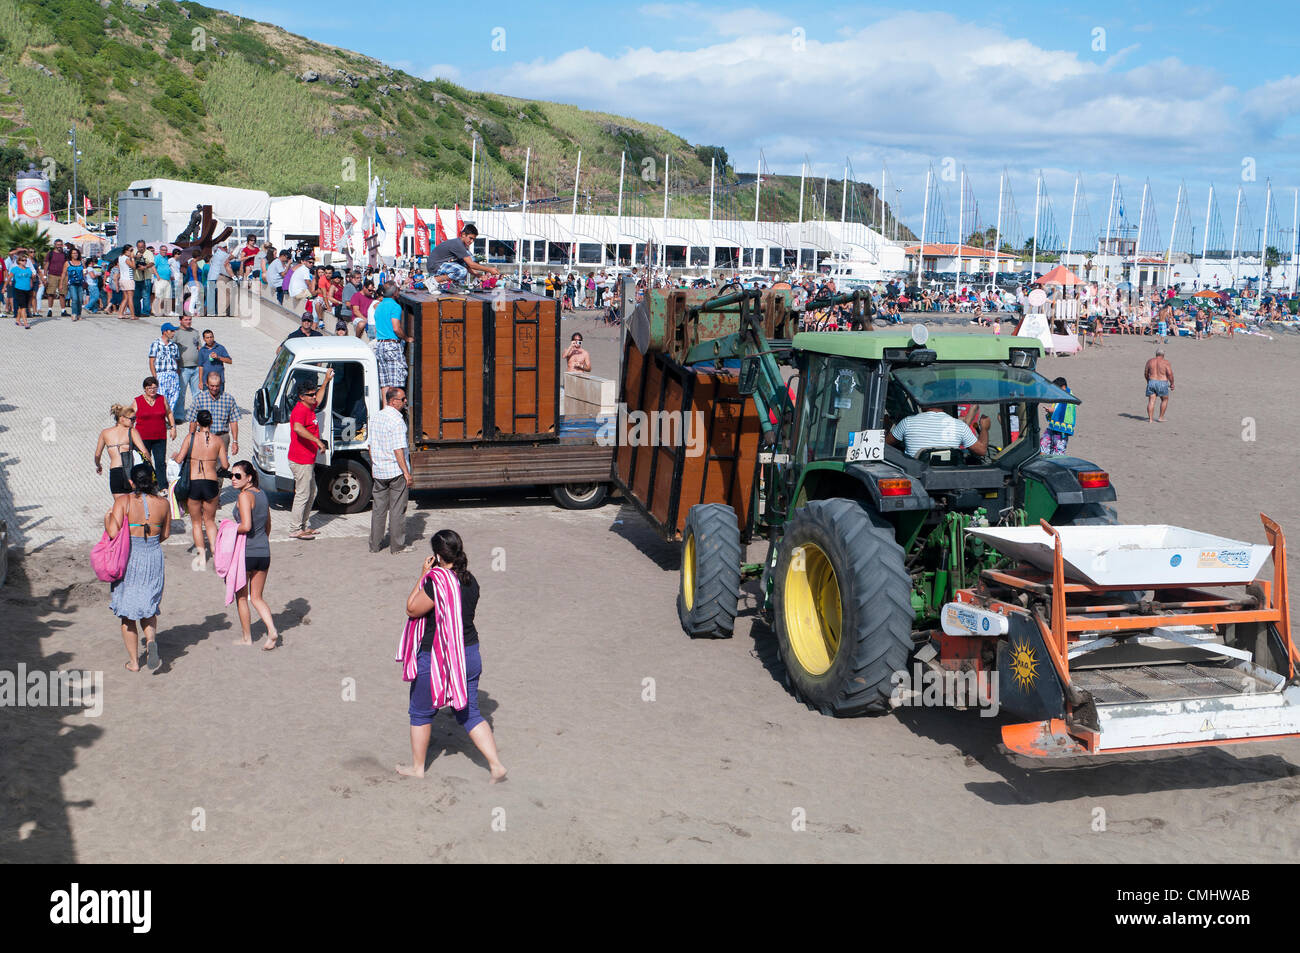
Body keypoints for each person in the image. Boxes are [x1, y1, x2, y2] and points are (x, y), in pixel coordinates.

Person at [397, 529, 506, 783]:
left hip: (438, 656)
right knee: (471, 713)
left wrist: (422, 576)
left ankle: (417, 768)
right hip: (469, 653)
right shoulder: (471, 580)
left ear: (437, 556)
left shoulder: (436, 582)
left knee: (421, 712)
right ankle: (496, 765)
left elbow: (411, 609)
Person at [106, 462, 171, 672]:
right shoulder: (163, 503)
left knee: (127, 613)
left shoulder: (123, 501)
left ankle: (134, 662)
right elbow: (166, 534)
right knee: (148, 606)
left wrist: (107, 518)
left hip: (129, 557)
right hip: (153, 555)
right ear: (152, 480)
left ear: (132, 482)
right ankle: (151, 640)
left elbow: (114, 533)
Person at [225, 461, 280, 650]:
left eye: (237, 476)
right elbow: (268, 526)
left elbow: (246, 526)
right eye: (231, 475)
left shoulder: (244, 496)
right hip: (263, 551)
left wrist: (229, 529)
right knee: (257, 597)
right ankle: (272, 630)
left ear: (248, 478)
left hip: (246, 553)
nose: (233, 479)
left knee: (242, 597)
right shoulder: (262, 494)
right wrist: (261, 542)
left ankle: (247, 637)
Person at [174, 408, 228, 559]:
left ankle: (202, 554)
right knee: (210, 521)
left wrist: (175, 457)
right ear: (211, 422)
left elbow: (179, 459)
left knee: (196, 523)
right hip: (211, 482)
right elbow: (225, 465)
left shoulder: (190, 437)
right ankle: (216, 552)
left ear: (197, 422)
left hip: (194, 482)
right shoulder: (218, 440)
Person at [287, 372, 333, 539]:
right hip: (300, 460)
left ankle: (303, 526)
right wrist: (318, 441)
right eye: (311, 394)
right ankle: (294, 529)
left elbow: (319, 398)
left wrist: (326, 381)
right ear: (301, 397)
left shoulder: (310, 405)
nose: (314, 396)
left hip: (308, 460)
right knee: (302, 494)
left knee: (312, 492)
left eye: (314, 393)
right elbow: (298, 428)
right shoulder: (300, 410)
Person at [370, 387, 412, 554]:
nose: (405, 401)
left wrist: (375, 465)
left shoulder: (376, 417)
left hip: (379, 470)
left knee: (379, 509)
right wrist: (406, 473)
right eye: (403, 399)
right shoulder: (396, 421)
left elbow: (370, 445)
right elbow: (398, 449)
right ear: (394, 401)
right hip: (395, 471)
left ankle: (374, 545)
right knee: (397, 510)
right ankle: (397, 546)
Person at [886, 403, 991, 458]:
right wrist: (985, 429)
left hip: (916, 477)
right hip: (949, 476)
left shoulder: (907, 422)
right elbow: (982, 451)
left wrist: (887, 426)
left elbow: (885, 445)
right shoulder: (960, 426)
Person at [95, 404, 150, 500]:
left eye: (135, 418)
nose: (134, 421)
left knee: (120, 504)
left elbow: (97, 454)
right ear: (122, 418)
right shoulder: (131, 431)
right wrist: (149, 467)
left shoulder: (105, 433)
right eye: (132, 419)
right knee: (135, 503)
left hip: (115, 471)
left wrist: (98, 465)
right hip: (130, 471)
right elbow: (144, 452)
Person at [134, 378, 176, 490]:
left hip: (160, 437)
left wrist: (173, 427)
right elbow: (130, 417)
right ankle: (147, 485)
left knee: (160, 462)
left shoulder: (162, 399)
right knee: (145, 462)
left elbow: (169, 413)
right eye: (149, 388)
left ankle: (162, 486)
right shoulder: (137, 401)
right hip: (142, 438)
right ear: (144, 389)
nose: (152, 390)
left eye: (154, 388)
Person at [427, 224, 499, 289]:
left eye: (474, 239)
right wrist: (489, 269)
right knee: (462, 271)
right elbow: (471, 264)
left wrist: (478, 275)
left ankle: (455, 285)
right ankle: (432, 281)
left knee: (466, 262)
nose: (471, 241)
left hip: (440, 264)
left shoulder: (462, 246)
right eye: (470, 238)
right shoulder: (458, 244)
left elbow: (467, 265)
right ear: (463, 234)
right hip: (434, 266)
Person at [188, 371, 241, 456]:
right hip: (203, 437)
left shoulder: (229, 399)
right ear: (207, 384)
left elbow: (233, 421)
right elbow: (193, 421)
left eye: (217, 386)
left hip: (222, 437)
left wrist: (235, 441)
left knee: (221, 466)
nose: (214, 388)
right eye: (212, 386)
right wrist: (191, 441)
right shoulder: (199, 399)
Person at [374, 282, 411, 397]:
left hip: (380, 345)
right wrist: (406, 338)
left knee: (385, 384)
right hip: (391, 346)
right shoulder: (395, 307)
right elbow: (396, 328)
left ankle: (385, 409)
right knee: (395, 384)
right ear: (395, 293)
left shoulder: (378, 306)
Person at [173, 312, 203, 421]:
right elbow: (172, 350)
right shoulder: (176, 333)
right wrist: (176, 367)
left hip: (196, 368)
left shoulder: (195, 332)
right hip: (182, 369)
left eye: (190, 319)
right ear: (180, 320)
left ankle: (197, 416)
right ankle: (179, 416)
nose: (188, 322)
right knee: (181, 394)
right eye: (186, 320)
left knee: (197, 394)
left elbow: (200, 348)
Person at [149, 322, 182, 414]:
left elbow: (177, 360)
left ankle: (169, 417)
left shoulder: (174, 346)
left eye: (174, 331)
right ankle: (161, 417)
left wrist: (177, 373)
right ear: (165, 332)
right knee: (162, 397)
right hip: (161, 374)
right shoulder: (156, 344)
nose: (173, 333)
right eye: (171, 331)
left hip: (173, 374)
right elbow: (151, 361)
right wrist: (155, 376)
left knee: (174, 396)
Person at [1039, 377, 1075, 456]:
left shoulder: (1070, 398)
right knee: (1042, 445)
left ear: (1063, 387)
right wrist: (1051, 411)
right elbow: (1056, 409)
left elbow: (1067, 413)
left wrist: (1053, 411)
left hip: (1062, 429)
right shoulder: (1060, 396)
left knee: (1058, 452)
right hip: (1053, 427)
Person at [4, 249, 34, 329]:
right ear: (19, 261)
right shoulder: (15, 269)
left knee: (22, 306)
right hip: (19, 289)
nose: (24, 262)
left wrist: (31, 283)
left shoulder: (28, 269)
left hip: (27, 289)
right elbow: (9, 278)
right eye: (23, 260)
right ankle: (26, 323)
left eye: (25, 260)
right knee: (23, 307)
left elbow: (30, 278)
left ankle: (17, 320)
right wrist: (4, 287)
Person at [1144, 348, 1174, 423]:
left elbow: (1146, 372)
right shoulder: (1166, 362)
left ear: (1156, 354)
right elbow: (1170, 374)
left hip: (1152, 381)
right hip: (1162, 382)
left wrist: (1148, 381)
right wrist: (1172, 383)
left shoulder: (1150, 361)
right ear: (1163, 355)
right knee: (1164, 399)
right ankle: (1161, 417)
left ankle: (1150, 419)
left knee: (1151, 401)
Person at [43, 239, 67, 318]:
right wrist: (45, 276)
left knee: (62, 293)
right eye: (58, 244)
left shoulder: (65, 254)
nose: (59, 246)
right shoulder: (50, 254)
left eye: (61, 244)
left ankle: (63, 310)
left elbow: (67, 265)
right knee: (51, 293)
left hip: (63, 275)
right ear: (55, 245)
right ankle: (50, 310)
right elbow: (46, 264)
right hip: (52, 275)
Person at [64, 247, 88, 320]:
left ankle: (79, 314)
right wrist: (62, 284)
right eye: (73, 253)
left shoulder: (81, 262)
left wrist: (85, 273)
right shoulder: (67, 263)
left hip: (80, 283)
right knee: (74, 299)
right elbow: (64, 273)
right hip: (72, 283)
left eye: (76, 253)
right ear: (70, 254)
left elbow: (84, 271)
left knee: (80, 300)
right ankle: (74, 314)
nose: (75, 254)